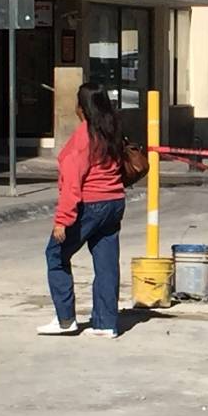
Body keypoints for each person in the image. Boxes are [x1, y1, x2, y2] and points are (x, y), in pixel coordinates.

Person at [41, 83, 127, 337]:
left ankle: (65, 319)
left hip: (91, 204)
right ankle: (105, 324)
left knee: (55, 255)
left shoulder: (83, 137)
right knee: (106, 264)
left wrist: (62, 221)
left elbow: (72, 183)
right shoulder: (111, 131)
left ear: (82, 108)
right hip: (114, 202)